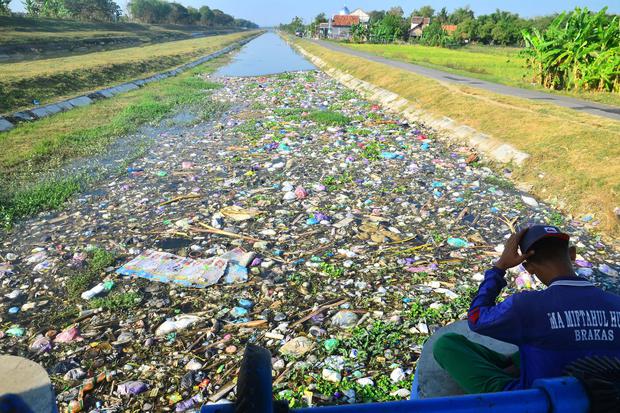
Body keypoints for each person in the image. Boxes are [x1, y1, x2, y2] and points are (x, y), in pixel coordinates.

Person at [433, 224, 620, 394]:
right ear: (572, 254)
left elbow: (476, 318)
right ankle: (515, 366)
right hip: (606, 398)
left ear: (527, 267)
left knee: (446, 345)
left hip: (539, 402)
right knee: (541, 342)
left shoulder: (526, 305)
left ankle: (510, 381)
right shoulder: (616, 303)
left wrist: (499, 268)